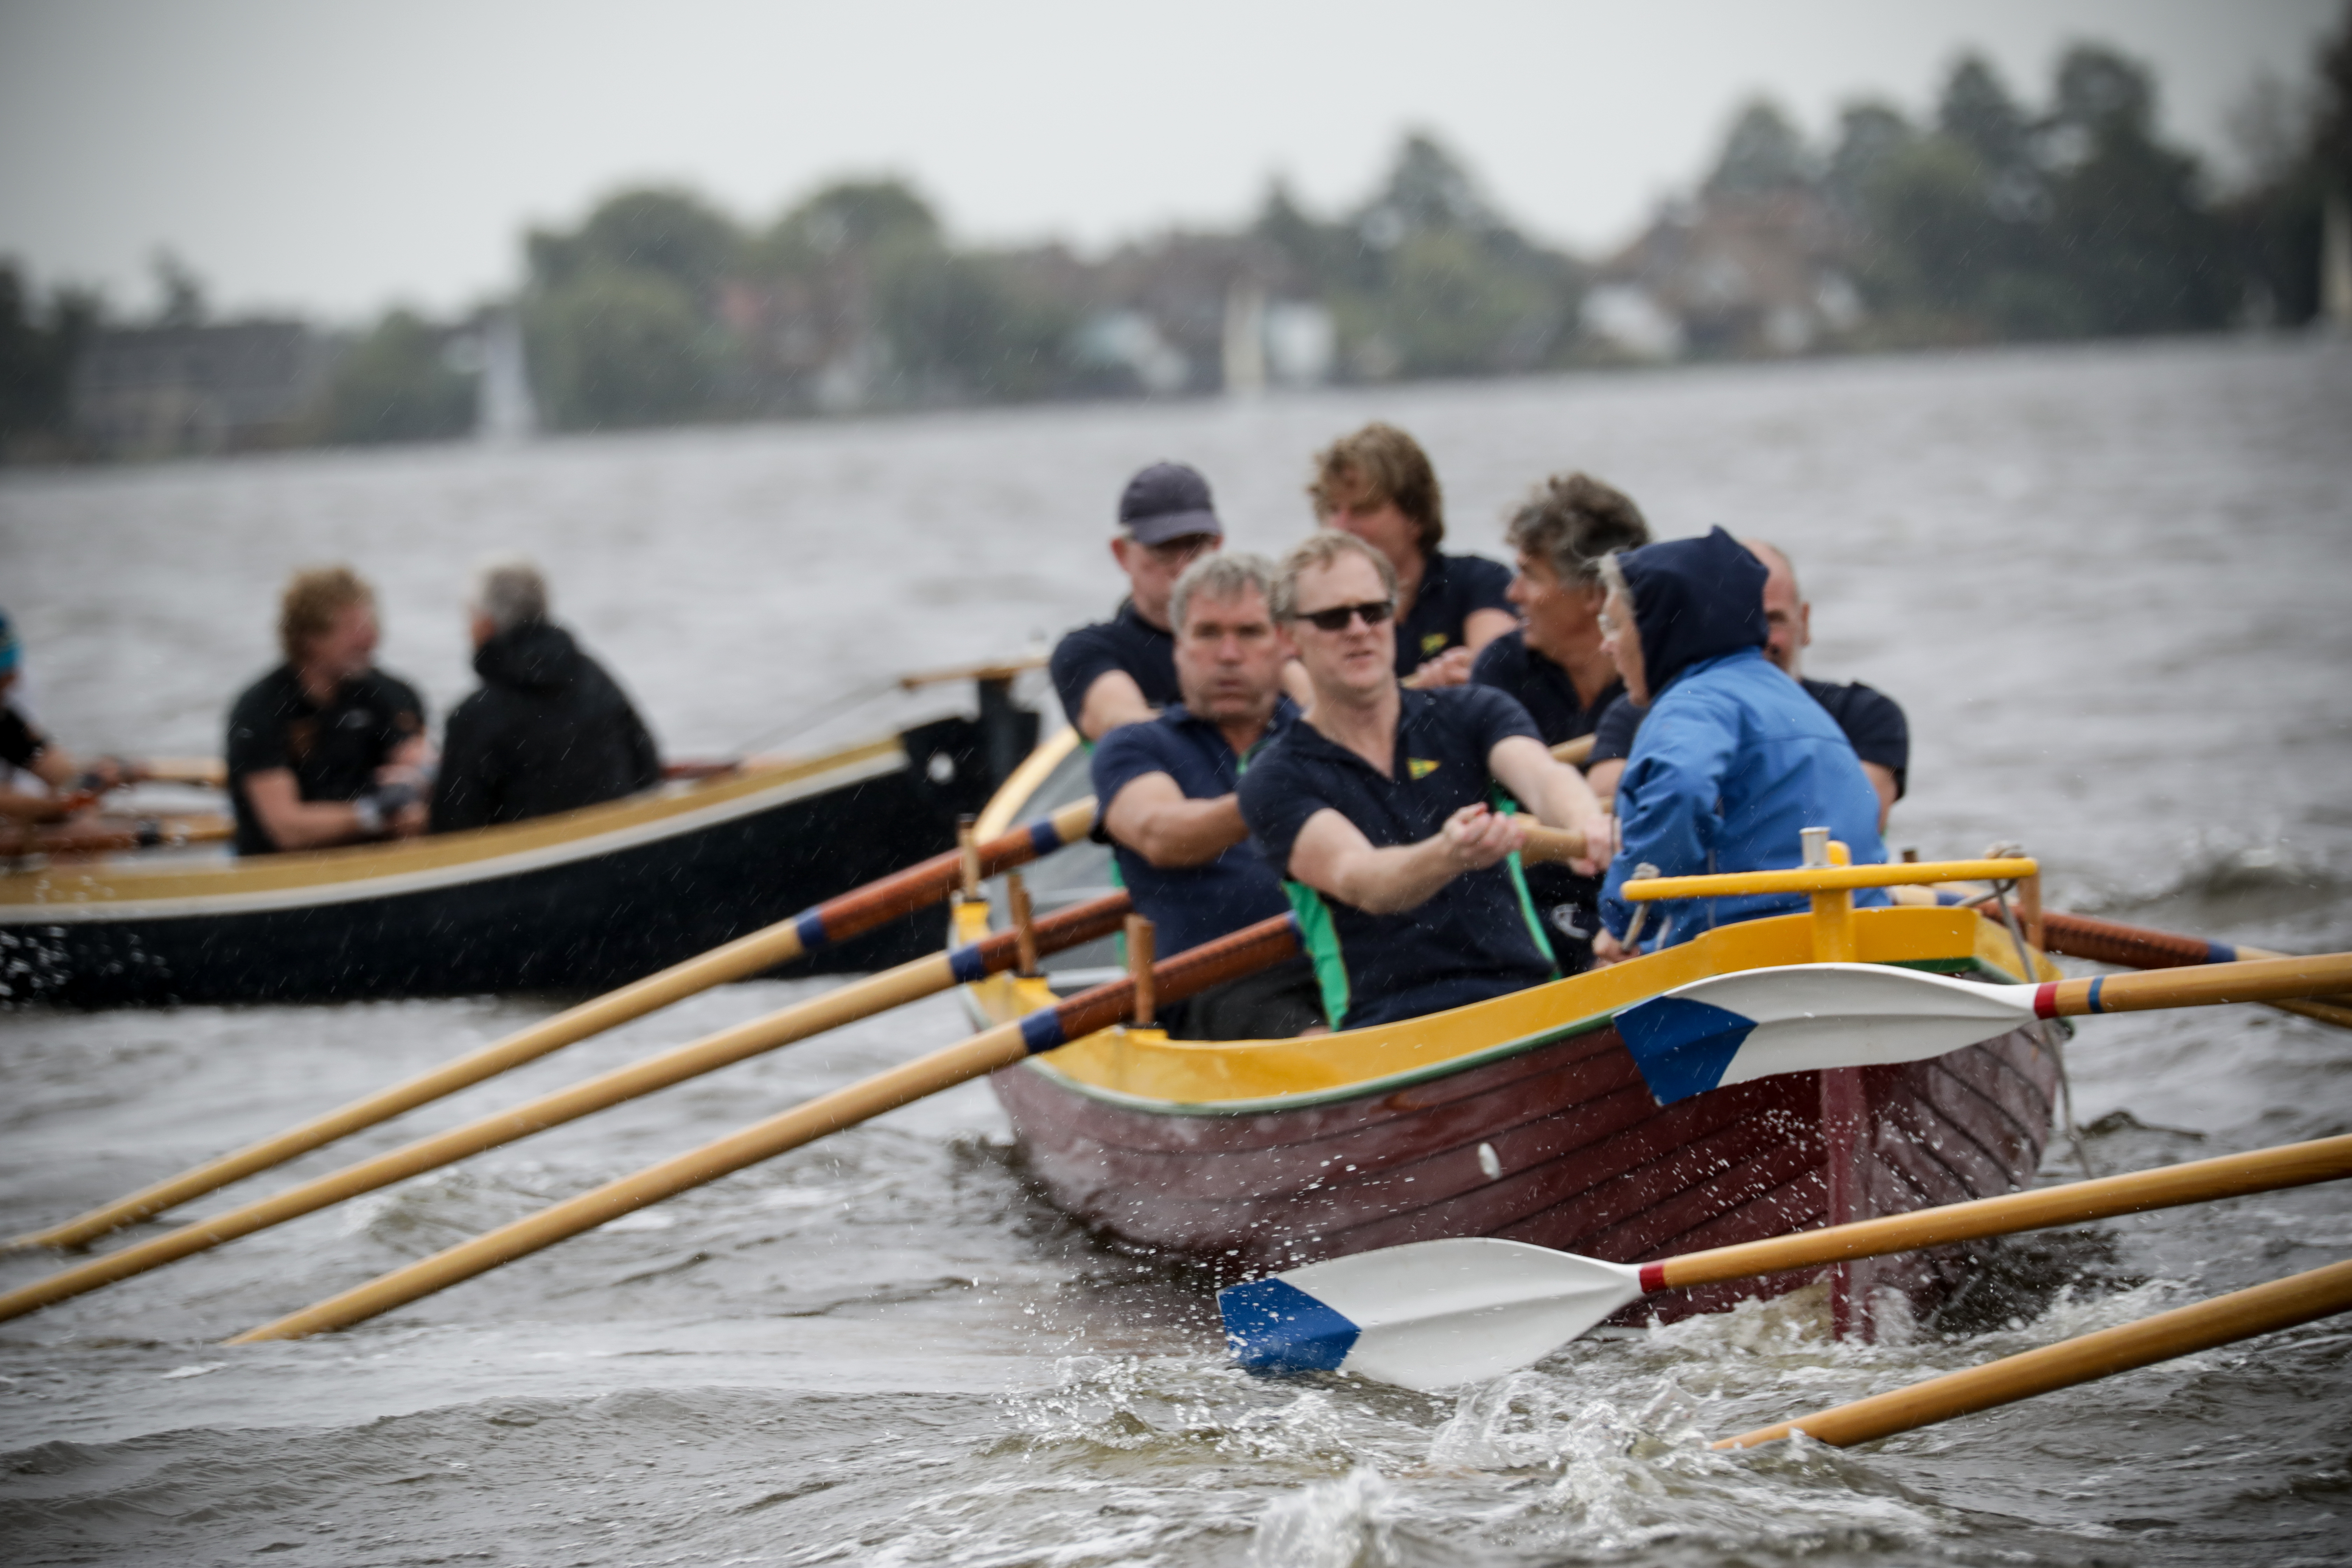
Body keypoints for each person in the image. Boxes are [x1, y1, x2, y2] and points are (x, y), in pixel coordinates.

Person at [1238, 531, 1609, 1030]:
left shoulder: (1474, 711)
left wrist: (1587, 824)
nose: (1358, 629)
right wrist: (1448, 854)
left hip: (1525, 999)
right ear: (1287, 637)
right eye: (1332, 618)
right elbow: (1363, 880)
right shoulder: (1274, 776)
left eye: (1373, 610)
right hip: (1391, 1026)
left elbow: (1543, 777)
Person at [1591, 528, 1888, 964]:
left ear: (1657, 630)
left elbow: (1681, 788)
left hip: (1755, 959)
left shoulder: (1695, 703)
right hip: (1865, 945)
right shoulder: (1797, 702)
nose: (1607, 644)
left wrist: (1626, 915)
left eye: (1614, 625)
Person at [1092, 553, 1324, 1039]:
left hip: (1341, 959)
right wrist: (1276, 792)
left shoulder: (1319, 732)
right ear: (1179, 648)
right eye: (1208, 634)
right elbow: (1160, 833)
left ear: (1285, 644)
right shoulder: (1137, 745)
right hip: (1216, 989)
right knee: (1318, 1043)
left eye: (1250, 633)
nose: (1229, 655)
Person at [1587, 539, 1910, 830]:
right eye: (1744, 621)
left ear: (1806, 621)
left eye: (1772, 620)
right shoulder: (1641, 710)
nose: (1756, 639)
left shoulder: (1865, 713)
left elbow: (1858, 820)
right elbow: (1601, 799)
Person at [1468, 473, 1652, 969]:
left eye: (1530, 575)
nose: (1512, 594)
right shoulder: (1502, 671)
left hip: (1647, 885)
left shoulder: (1664, 676)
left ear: (1594, 594)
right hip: (1536, 894)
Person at [430, 558, 662, 832]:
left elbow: (454, 827)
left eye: (469, 617)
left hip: (531, 863)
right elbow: (647, 768)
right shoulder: (594, 677)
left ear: (485, 625)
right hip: (616, 850)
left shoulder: (474, 716)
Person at [225, 567, 428, 855]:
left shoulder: (393, 695)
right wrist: (372, 814)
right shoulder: (260, 710)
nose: (370, 639)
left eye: (371, 624)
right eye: (352, 628)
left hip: (375, 860)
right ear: (310, 637)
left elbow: (419, 765)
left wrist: (425, 782)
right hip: (285, 871)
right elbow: (289, 830)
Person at [1308, 423, 1513, 688]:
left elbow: (1495, 670)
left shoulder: (1480, 582)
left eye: (1363, 510)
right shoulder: (1313, 608)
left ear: (1416, 517)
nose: (1341, 528)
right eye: (1333, 510)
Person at [1049, 461, 1224, 742]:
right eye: (1163, 547)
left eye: (1194, 545)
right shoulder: (1088, 652)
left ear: (1217, 546)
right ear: (1121, 553)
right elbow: (1130, 729)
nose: (1182, 566)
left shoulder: (1262, 639)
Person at [0, 608, 131, 824]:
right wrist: (66, 805)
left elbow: (63, 774)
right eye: (2, 677)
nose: (13, 683)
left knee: (79, 821)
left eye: (13, 673)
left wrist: (95, 778)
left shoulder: (4, 719)